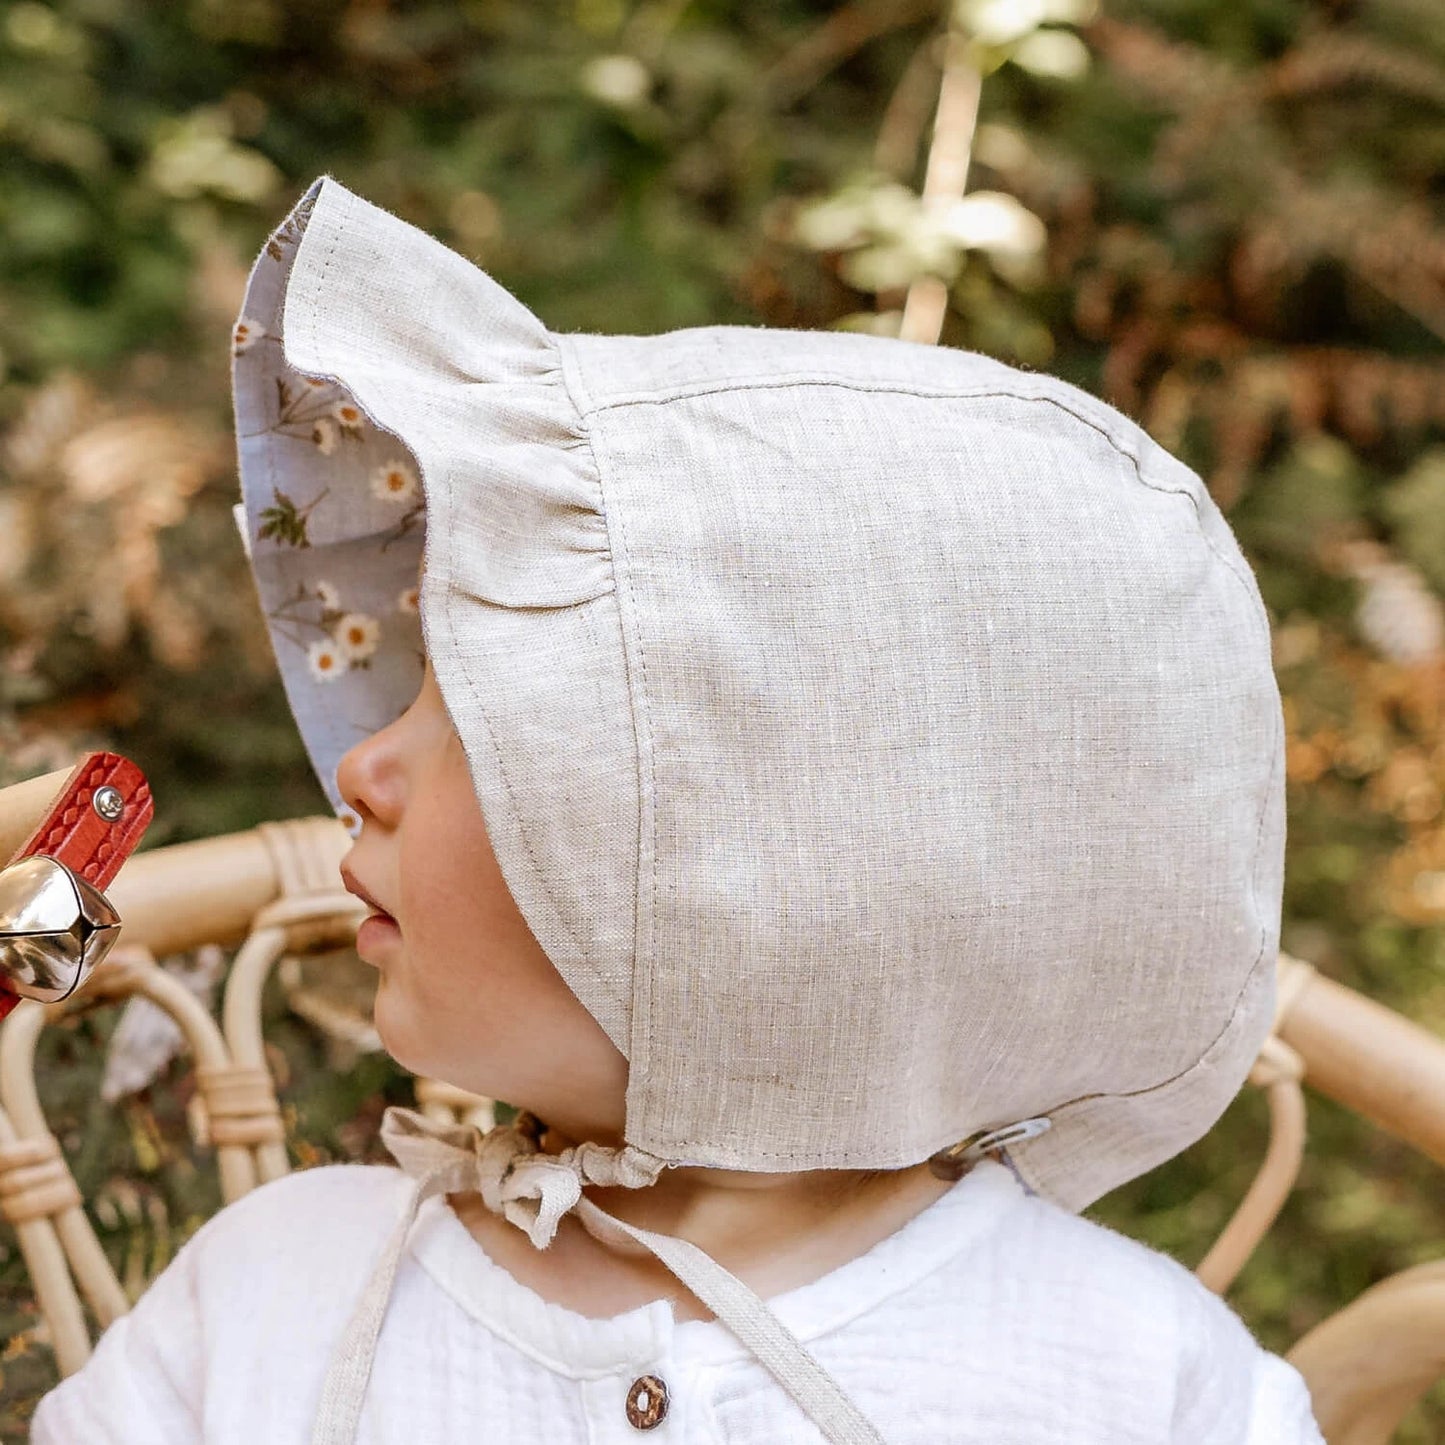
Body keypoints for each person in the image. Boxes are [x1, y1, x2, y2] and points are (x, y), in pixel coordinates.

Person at [32, 175, 1325, 1444]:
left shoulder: (1131, 1377)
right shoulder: (275, 1294)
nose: (364, 764)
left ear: (779, 868)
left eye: (467, 708)